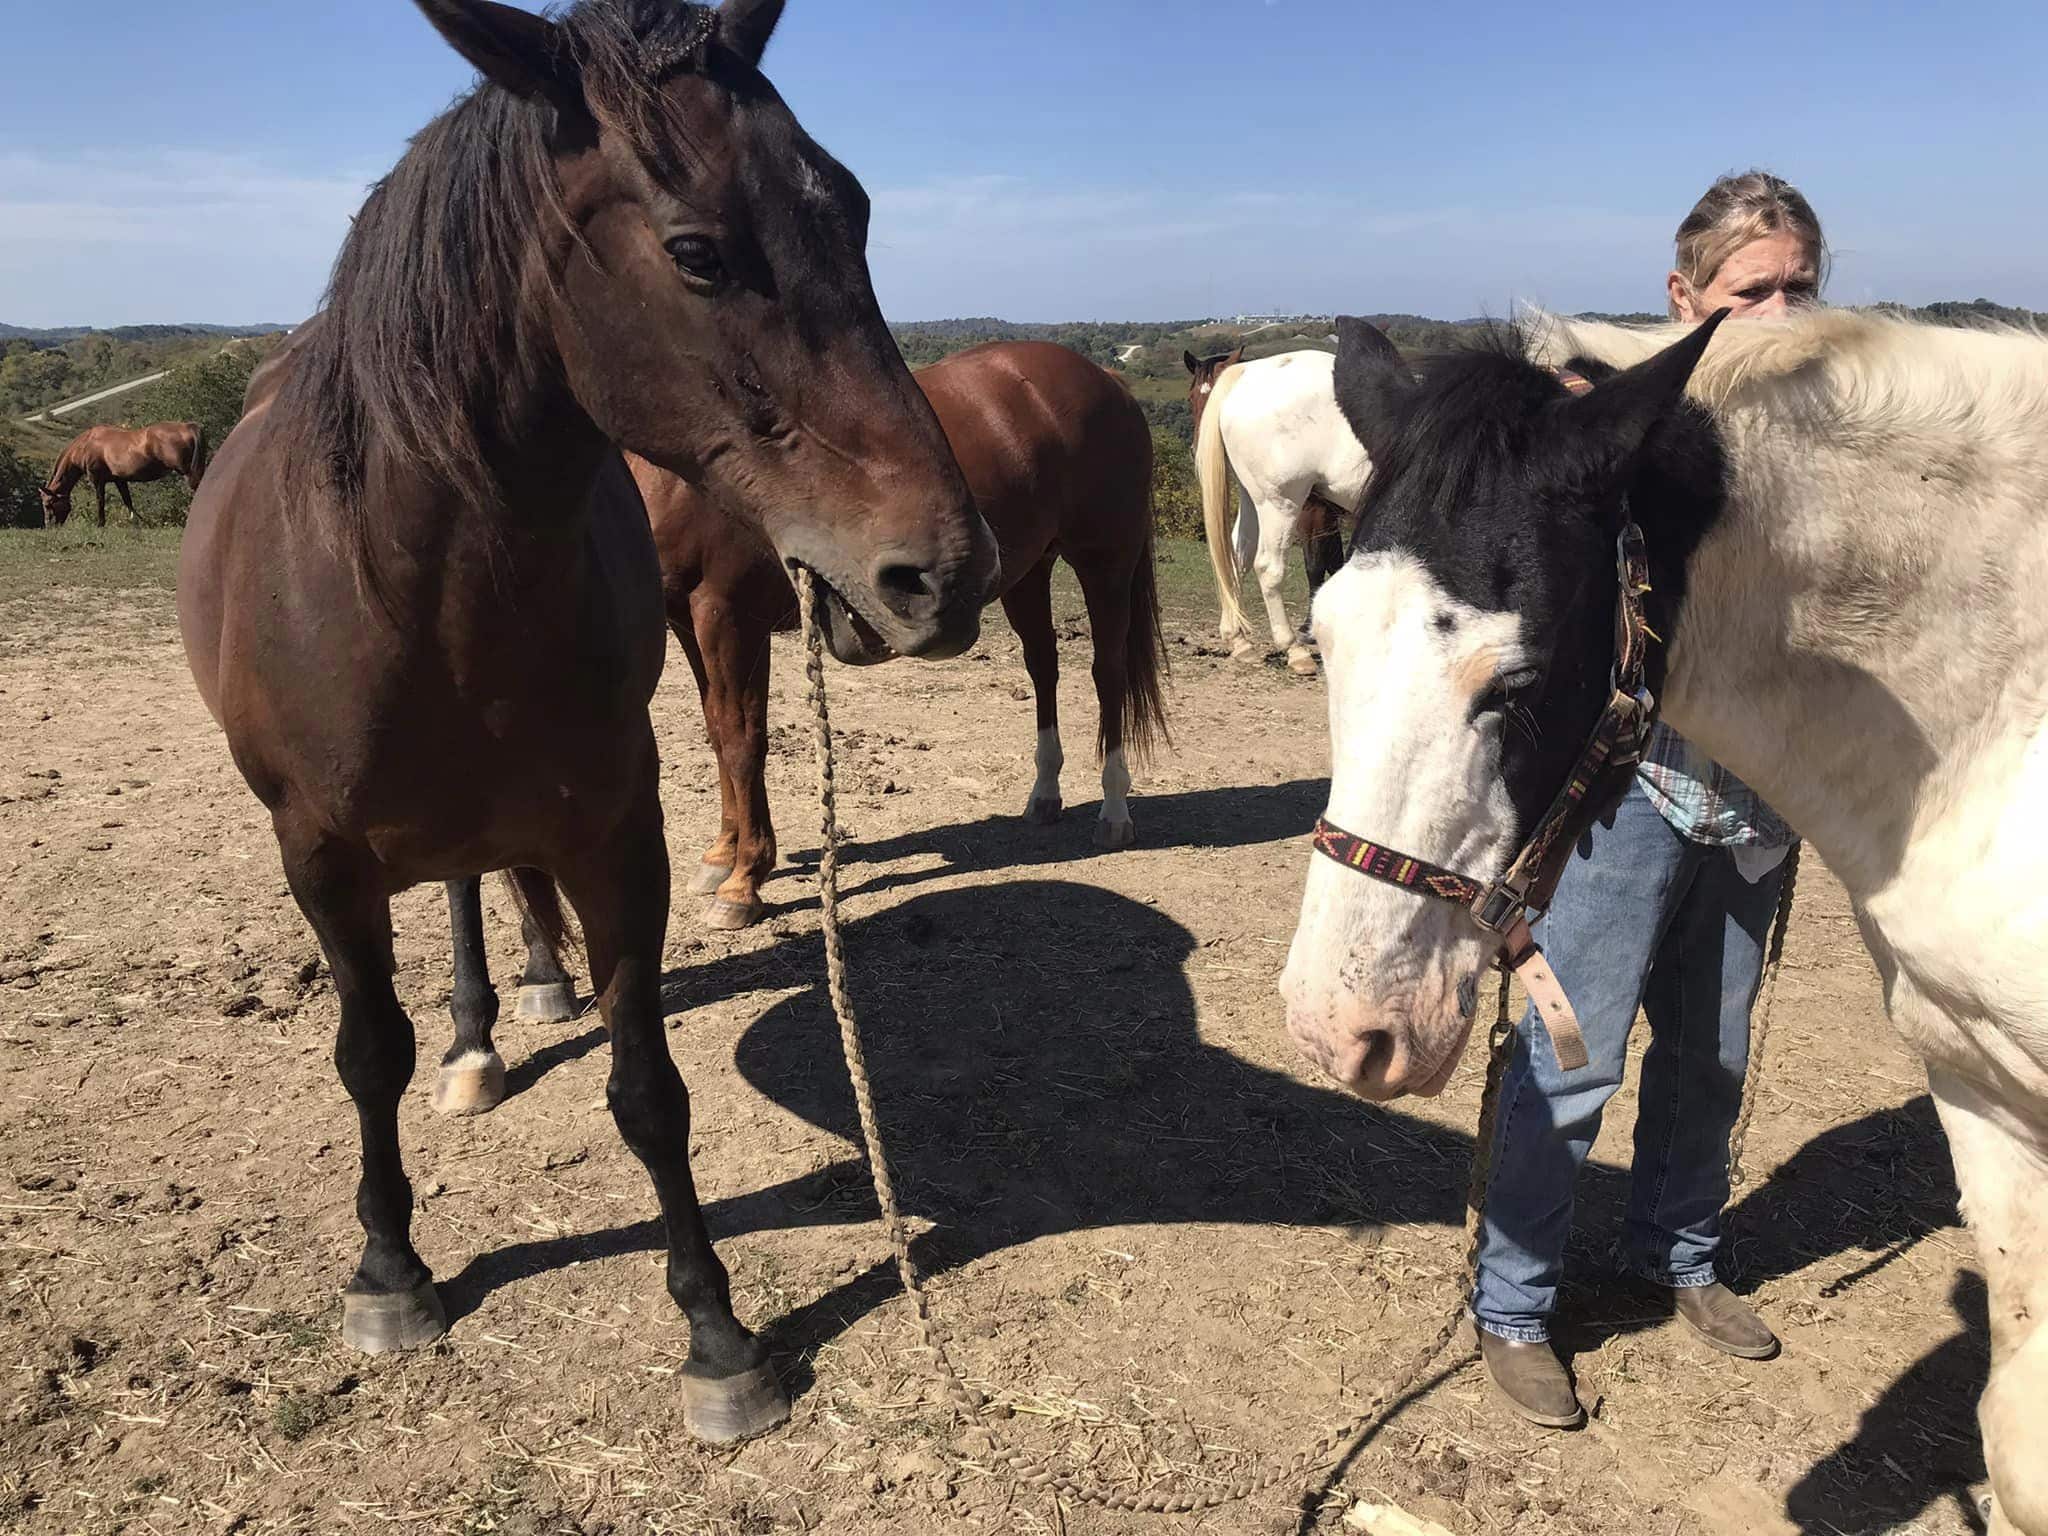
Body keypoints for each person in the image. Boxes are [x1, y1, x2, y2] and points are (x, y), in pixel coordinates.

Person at [1471, 171, 1822, 1428]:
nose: (1778, 314)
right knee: (1572, 1054)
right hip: (1625, 794)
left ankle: (1676, 1256)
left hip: (1755, 804)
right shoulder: (1609, 439)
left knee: (1710, 1056)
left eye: (1797, 288)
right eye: (1749, 291)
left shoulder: (1825, 454)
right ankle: (1512, 1302)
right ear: (1682, 298)